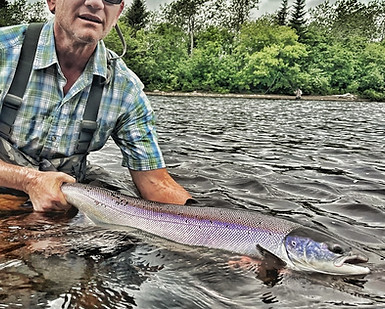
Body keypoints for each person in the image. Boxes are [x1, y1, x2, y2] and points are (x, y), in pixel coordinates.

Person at [0, 0, 192, 212]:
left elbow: (155, 183)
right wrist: (29, 180)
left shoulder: (126, 91)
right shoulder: (4, 52)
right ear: (52, 1)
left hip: (57, 206)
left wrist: (207, 225)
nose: (95, 3)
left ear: (118, 12)